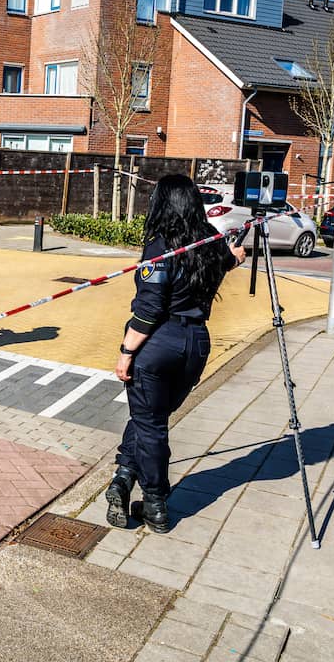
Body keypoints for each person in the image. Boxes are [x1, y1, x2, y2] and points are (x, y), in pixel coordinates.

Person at [108, 174, 246, 533]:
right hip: (196, 344)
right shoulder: (212, 240)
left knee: (151, 424)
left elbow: (149, 309)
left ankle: (155, 502)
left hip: (159, 343)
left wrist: (126, 352)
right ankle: (122, 478)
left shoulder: (160, 247)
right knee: (151, 418)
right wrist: (235, 257)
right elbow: (226, 262)